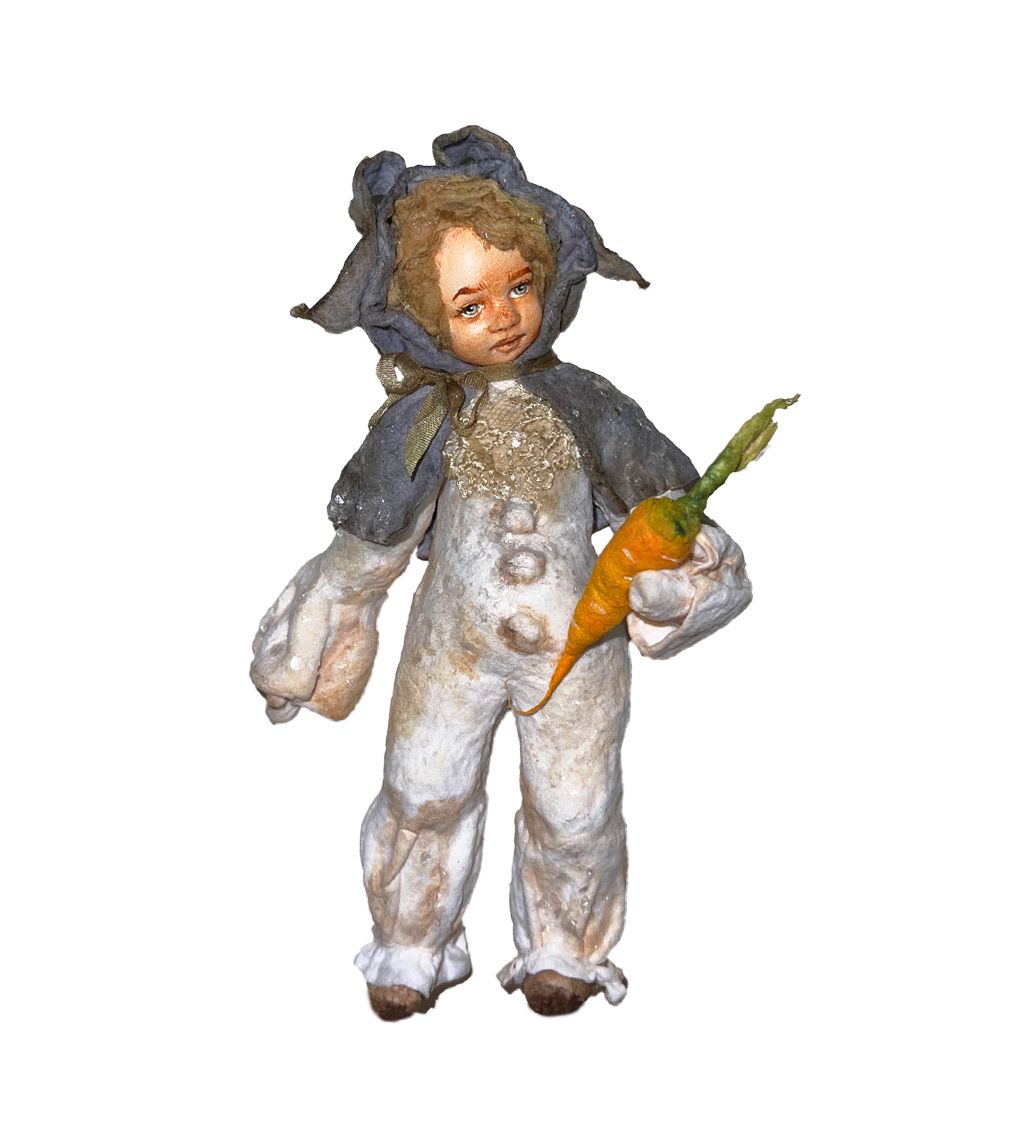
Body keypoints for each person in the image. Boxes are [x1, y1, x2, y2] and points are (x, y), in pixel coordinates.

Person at [250, 127, 753, 1020]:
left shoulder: (589, 406)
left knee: (576, 805)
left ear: (548, 281)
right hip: (451, 648)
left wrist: (676, 571)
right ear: (422, 313)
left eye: (519, 286)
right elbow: (367, 544)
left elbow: (667, 509)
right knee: (422, 789)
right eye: (470, 303)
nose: (505, 316)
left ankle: (565, 946)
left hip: (577, 647)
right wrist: (324, 619)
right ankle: (412, 940)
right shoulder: (419, 421)